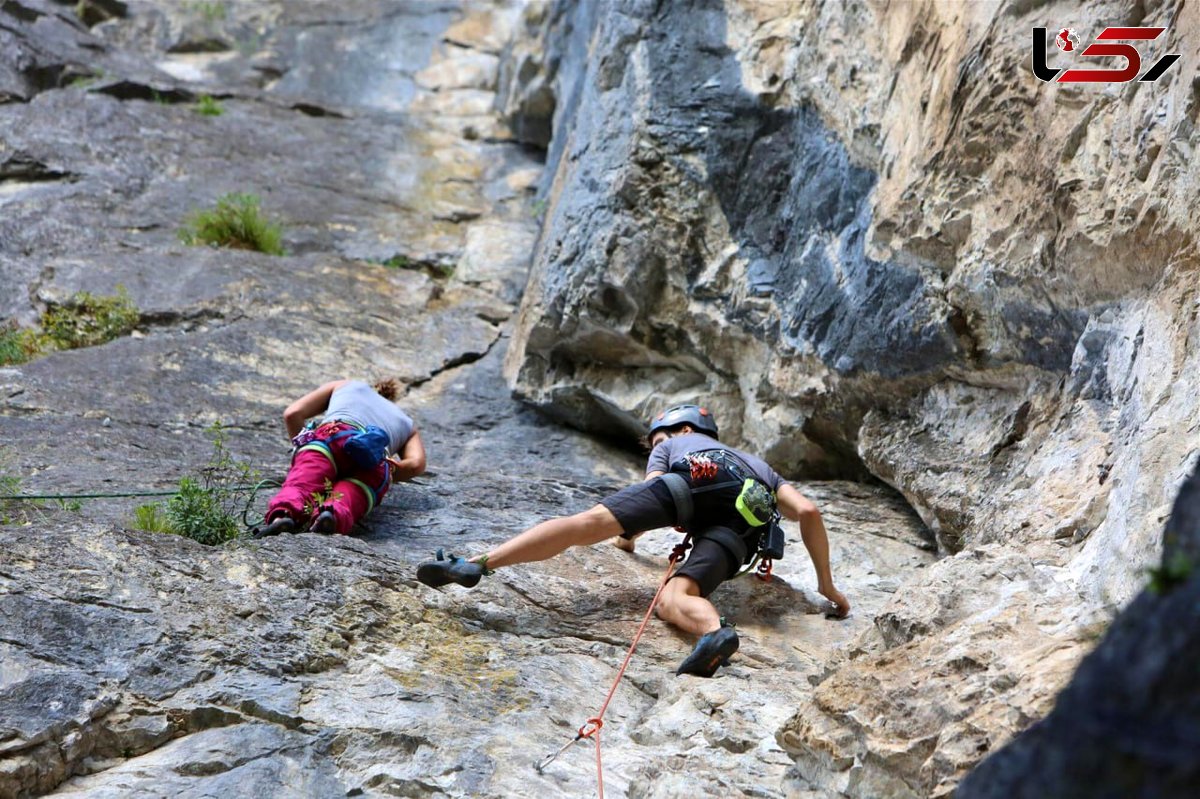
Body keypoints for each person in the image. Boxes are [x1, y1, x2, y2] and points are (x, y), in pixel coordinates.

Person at [417, 404, 849, 677]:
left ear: (679, 431)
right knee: (676, 595)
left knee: (581, 524)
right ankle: (713, 633)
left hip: (693, 482)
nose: (655, 445)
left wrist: (626, 536)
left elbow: (652, 496)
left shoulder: (675, 445)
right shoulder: (759, 465)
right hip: (745, 524)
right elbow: (809, 512)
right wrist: (826, 587)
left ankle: (479, 563)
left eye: (658, 439)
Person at [258, 378, 426, 536]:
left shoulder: (345, 385)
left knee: (302, 484)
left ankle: (282, 516)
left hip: (332, 437)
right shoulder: (407, 423)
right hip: (374, 455)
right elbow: (415, 465)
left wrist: (305, 452)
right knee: (350, 496)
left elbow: (292, 413)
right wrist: (383, 471)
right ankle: (330, 515)